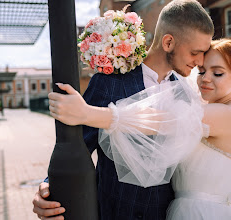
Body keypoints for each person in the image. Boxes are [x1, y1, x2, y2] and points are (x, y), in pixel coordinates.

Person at [48, 39, 231, 220]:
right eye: (202, 70)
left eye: (218, 73)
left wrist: (89, 113)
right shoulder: (198, 104)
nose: (205, 78)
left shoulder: (226, 116)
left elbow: (163, 120)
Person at [32, 0, 214, 219]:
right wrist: (49, 187)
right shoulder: (108, 82)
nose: (201, 61)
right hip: (113, 212)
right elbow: (78, 143)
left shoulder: (187, 94)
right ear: (168, 42)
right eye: (196, 52)